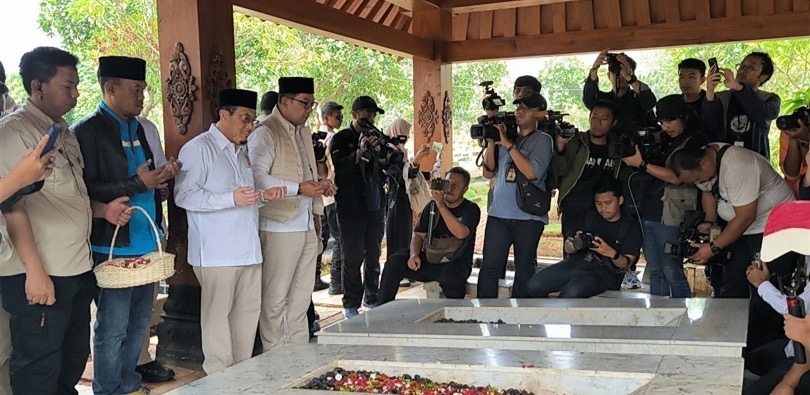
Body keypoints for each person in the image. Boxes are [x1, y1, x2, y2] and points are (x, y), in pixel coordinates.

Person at [0, 46, 129, 395]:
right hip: (41, 273)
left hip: (75, 267)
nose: (75, 93)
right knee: (38, 368)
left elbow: (67, 197)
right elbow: (12, 206)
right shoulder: (15, 134)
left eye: (76, 86)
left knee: (72, 358)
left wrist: (103, 210)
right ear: (37, 86)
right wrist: (35, 272)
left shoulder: (64, 132)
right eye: (67, 85)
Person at [72, 55, 181, 394]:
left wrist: (160, 183)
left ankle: (130, 383)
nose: (141, 97)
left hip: (146, 240)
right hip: (113, 245)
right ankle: (108, 389)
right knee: (112, 327)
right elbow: (85, 188)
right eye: (135, 89)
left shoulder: (142, 128)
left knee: (138, 325)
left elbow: (146, 183)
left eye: (143, 90)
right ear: (111, 88)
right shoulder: (86, 131)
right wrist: (138, 183)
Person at [175, 88, 280, 373]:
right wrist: (229, 199)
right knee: (217, 320)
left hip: (248, 249)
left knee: (247, 316)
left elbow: (243, 197)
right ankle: (220, 381)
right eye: (245, 119)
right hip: (216, 253)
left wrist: (260, 197)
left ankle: (241, 377)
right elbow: (183, 196)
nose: (250, 126)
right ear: (224, 114)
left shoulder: (241, 151)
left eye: (252, 120)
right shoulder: (199, 149)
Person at [670, 142, 796, 350]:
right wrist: (710, 222)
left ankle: (763, 349)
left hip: (773, 227)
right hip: (747, 230)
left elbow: (745, 217)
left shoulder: (737, 165)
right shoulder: (706, 165)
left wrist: (712, 248)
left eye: (696, 178)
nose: (698, 182)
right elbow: (708, 192)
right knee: (730, 283)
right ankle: (729, 340)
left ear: (703, 161)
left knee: (764, 288)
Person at [249, 77, 335, 349]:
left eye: (312, 104)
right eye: (304, 103)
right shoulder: (265, 132)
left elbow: (306, 173)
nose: (309, 109)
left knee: (300, 299)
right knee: (275, 300)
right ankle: (276, 359)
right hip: (278, 226)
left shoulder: (303, 132)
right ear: (284, 101)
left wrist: (320, 185)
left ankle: (297, 358)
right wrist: (297, 188)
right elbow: (255, 178)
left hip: (307, 224)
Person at [620, 95, 708, 298]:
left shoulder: (695, 140)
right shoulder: (662, 139)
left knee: (672, 270)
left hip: (672, 214)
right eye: (661, 122)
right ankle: (660, 319)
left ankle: (681, 320)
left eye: (670, 121)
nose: (665, 126)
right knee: (655, 271)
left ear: (684, 117)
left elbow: (678, 177)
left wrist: (641, 164)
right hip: (648, 209)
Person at [477, 92, 554, 298]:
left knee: (524, 270)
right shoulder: (507, 138)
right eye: (518, 106)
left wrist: (508, 145)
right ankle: (482, 317)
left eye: (526, 108)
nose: (519, 111)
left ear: (538, 114)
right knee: (489, 268)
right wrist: (493, 142)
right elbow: (488, 172)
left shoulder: (543, 140)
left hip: (528, 217)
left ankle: (521, 318)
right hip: (498, 215)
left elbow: (532, 172)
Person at [379, 167, 481, 303]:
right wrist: (414, 255)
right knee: (395, 261)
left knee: (451, 278)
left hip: (456, 262)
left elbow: (461, 233)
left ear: (465, 189)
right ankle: (382, 307)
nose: (451, 188)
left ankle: (454, 315)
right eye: (449, 183)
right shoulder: (432, 206)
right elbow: (418, 235)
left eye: (456, 185)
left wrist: (441, 205)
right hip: (431, 259)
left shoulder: (471, 209)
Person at [527, 178, 641, 298]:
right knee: (533, 285)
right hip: (575, 263)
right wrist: (574, 244)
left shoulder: (630, 227)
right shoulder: (589, 216)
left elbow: (625, 264)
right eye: (598, 203)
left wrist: (611, 253)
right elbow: (568, 246)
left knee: (571, 293)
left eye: (608, 203)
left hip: (603, 273)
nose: (603, 208)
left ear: (620, 200)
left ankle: (559, 316)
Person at [330, 95, 388, 318]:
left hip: (375, 203)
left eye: (373, 115)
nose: (370, 119)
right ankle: (351, 304)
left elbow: (386, 163)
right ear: (354, 115)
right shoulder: (342, 138)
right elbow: (340, 166)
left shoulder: (376, 136)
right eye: (366, 114)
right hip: (351, 206)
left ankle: (372, 297)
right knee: (352, 257)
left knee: (374, 254)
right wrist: (359, 152)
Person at [553, 100, 623, 240]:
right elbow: (559, 171)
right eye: (594, 117)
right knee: (573, 255)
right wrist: (560, 148)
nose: (597, 122)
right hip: (575, 208)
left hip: (603, 211)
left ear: (613, 123)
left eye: (604, 119)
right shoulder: (577, 142)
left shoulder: (618, 148)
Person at [702, 52, 780, 160]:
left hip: (755, 162)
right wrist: (710, 90)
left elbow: (763, 114)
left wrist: (739, 88)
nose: (743, 70)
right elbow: (709, 124)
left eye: (751, 67)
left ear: (763, 77)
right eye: (742, 66)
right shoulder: (722, 98)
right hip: (724, 162)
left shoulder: (769, 98)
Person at [383, 118, 431, 259]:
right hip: (396, 199)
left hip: (404, 199)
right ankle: (396, 270)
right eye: (406, 132)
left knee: (405, 235)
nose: (407, 136)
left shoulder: (400, 151)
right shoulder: (389, 152)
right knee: (398, 236)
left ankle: (403, 267)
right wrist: (417, 159)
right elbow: (401, 175)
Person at [583, 49, 657, 136]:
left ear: (632, 74)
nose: (620, 76)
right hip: (607, 146)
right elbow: (589, 98)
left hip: (634, 146)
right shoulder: (602, 100)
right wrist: (594, 68)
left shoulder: (638, 99)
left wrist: (629, 78)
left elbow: (650, 102)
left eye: (623, 72)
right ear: (608, 76)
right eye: (615, 72)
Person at [318, 101, 345, 295]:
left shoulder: (318, 138)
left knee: (326, 239)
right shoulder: (331, 138)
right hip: (332, 194)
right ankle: (337, 281)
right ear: (326, 118)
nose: (340, 119)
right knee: (340, 239)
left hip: (323, 198)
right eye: (337, 116)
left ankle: (321, 279)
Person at [779, 117, 809, 198]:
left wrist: (807, 139)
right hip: (795, 198)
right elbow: (791, 175)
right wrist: (794, 140)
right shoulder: (795, 128)